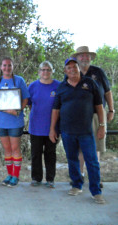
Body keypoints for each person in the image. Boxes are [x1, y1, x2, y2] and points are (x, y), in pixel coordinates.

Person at [49, 57, 106, 204]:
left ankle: (96, 191)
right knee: (72, 159)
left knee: (92, 161)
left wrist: (102, 126)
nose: (72, 69)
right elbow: (56, 110)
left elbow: (99, 107)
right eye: (69, 68)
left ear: (79, 68)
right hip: (67, 131)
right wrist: (52, 129)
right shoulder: (61, 87)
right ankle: (76, 185)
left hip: (86, 131)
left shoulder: (90, 83)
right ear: (65, 71)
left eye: (75, 67)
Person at [71, 46, 115, 187]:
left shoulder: (98, 72)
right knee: (80, 148)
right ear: (77, 58)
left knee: (96, 147)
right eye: (81, 55)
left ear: (90, 57)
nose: (84, 58)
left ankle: (95, 177)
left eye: (87, 55)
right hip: (79, 116)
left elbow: (107, 92)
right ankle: (80, 176)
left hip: (98, 115)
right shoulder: (72, 73)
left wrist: (111, 110)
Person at [0, 57, 29, 187]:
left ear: (13, 67)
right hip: (1, 121)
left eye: (9, 66)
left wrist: (18, 111)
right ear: (1, 67)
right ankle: (9, 175)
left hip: (15, 121)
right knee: (6, 149)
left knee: (15, 148)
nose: (7, 68)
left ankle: (15, 176)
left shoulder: (19, 80)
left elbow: (25, 99)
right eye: (4, 65)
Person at [28, 61, 60, 188]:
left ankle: (50, 179)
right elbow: (29, 104)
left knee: (50, 154)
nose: (45, 72)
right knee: (36, 154)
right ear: (39, 71)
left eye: (48, 69)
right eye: (43, 69)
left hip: (53, 128)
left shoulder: (58, 86)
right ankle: (36, 178)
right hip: (36, 126)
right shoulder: (33, 86)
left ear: (52, 71)